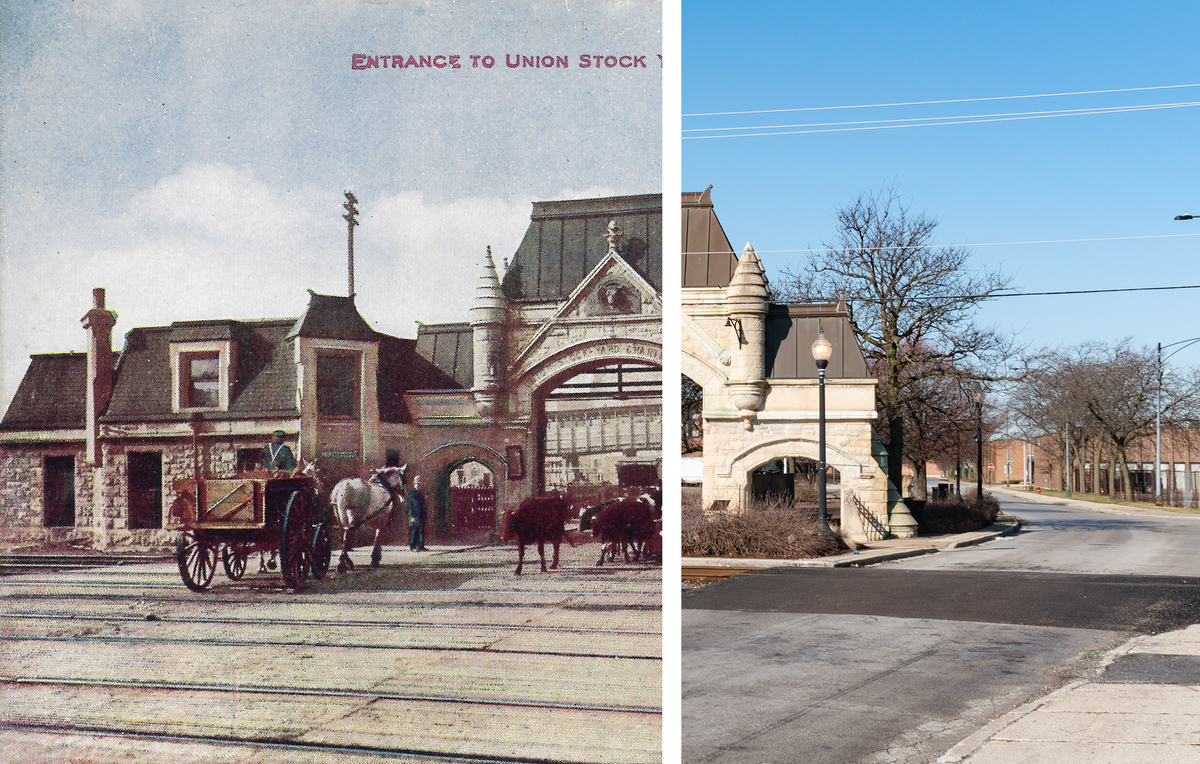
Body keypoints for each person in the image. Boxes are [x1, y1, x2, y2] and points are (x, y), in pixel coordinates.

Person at [407, 475, 427, 551]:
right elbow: (411, 506)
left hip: (421, 515)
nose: (419, 486)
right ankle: (413, 546)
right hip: (414, 515)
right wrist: (412, 516)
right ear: (414, 484)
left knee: (421, 531)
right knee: (414, 531)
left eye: (420, 484)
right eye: (417, 484)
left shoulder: (420, 494)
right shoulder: (412, 494)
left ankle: (420, 546)